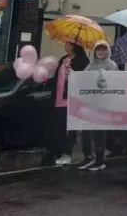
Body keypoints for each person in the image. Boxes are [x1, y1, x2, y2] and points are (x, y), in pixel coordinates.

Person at [77, 40, 118, 171]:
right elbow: (82, 79)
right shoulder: (90, 65)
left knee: (98, 132)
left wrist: (104, 76)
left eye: (103, 49)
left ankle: (100, 160)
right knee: (85, 132)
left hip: (103, 105)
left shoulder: (112, 65)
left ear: (107, 51)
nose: (101, 52)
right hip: (89, 104)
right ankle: (88, 156)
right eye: (98, 49)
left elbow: (115, 83)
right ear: (94, 51)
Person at [49, 41, 89, 166]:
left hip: (71, 99)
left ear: (73, 46)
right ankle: (59, 151)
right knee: (59, 127)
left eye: (67, 44)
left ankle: (67, 153)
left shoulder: (82, 60)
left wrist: (73, 73)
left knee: (69, 128)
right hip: (59, 98)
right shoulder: (63, 59)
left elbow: (84, 78)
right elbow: (57, 78)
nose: (64, 46)